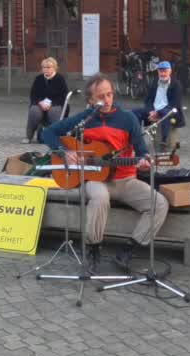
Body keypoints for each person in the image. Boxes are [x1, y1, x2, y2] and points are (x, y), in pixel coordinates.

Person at [42, 73, 168, 274]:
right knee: (99, 198)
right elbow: (47, 132)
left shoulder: (128, 118)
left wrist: (144, 160)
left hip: (125, 180)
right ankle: (93, 249)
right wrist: (66, 151)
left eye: (109, 94)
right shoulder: (84, 119)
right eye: (101, 97)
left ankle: (128, 249)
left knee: (159, 203)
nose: (107, 100)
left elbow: (142, 150)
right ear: (91, 100)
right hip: (94, 179)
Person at [134, 60, 185, 149]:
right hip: (154, 109)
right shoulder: (154, 83)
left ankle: (164, 141)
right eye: (161, 71)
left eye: (165, 71)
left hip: (169, 110)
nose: (163, 74)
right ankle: (137, 138)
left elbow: (174, 104)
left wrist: (158, 112)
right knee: (135, 112)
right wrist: (151, 111)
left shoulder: (176, 85)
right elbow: (148, 100)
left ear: (170, 71)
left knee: (166, 113)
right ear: (158, 72)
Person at [25, 56, 68, 144]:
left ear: (54, 68)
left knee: (54, 112)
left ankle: (55, 136)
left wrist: (51, 104)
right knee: (34, 111)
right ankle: (29, 136)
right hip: (40, 103)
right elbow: (33, 94)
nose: (45, 69)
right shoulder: (39, 78)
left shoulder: (60, 79)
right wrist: (39, 102)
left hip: (56, 104)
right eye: (44, 67)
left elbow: (63, 96)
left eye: (48, 67)